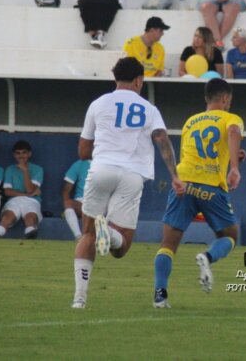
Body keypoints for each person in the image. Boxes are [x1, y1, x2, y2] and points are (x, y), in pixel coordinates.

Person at [73, 57, 180, 309]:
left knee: (87, 233)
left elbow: (82, 150)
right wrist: (174, 175)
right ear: (139, 80)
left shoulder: (98, 104)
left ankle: (79, 298)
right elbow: (162, 140)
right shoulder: (149, 109)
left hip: (100, 170)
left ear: (115, 78)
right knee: (121, 248)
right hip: (132, 176)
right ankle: (107, 232)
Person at [153, 78, 246, 308]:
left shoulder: (190, 122)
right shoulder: (230, 118)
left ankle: (160, 295)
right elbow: (233, 132)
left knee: (168, 244)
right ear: (225, 99)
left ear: (206, 98)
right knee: (230, 236)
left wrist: (232, 157)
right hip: (211, 186)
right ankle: (207, 257)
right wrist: (234, 167)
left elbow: (196, 152)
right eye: (229, 101)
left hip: (184, 184)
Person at [0, 141, 44, 239]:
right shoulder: (10, 169)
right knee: (7, 217)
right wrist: (29, 194)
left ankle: (30, 234)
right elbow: (7, 192)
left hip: (32, 201)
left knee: (30, 218)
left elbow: (29, 189)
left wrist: (25, 170)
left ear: (29, 154)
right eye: (18, 153)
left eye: (24, 153)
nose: (21, 156)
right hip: (13, 200)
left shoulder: (38, 169)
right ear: (14, 155)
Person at [62, 157, 90, 241]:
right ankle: (78, 236)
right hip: (82, 203)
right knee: (68, 203)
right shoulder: (80, 164)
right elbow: (66, 189)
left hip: (101, 203)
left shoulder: (106, 163)